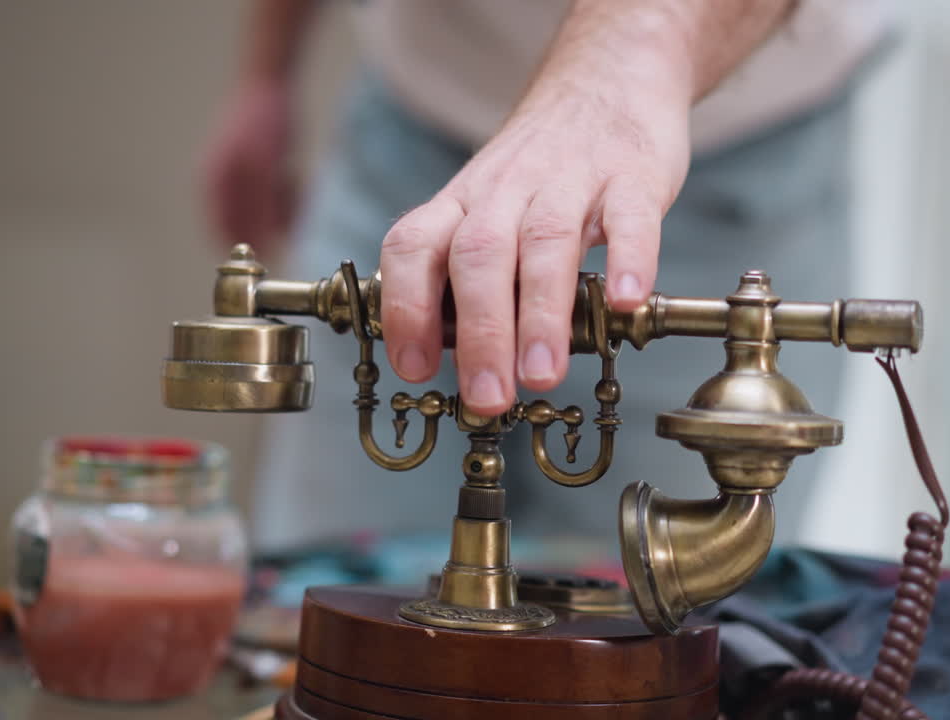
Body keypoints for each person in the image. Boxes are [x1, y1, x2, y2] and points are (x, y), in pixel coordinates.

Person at [206, 0, 890, 550]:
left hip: (724, 157)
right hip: (415, 121)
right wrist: (267, 73)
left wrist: (612, 83)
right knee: (325, 603)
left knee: (661, 645)